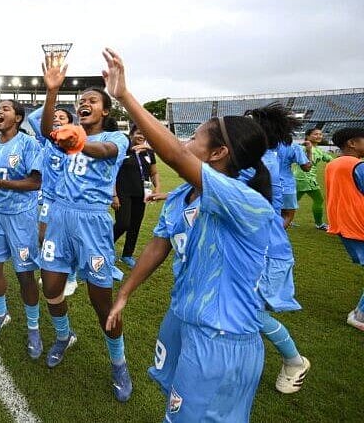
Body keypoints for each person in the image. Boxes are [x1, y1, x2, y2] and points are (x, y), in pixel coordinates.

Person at [103, 48, 275, 422]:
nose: (185, 143)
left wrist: (125, 97)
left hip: (221, 337)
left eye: (196, 138)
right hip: (184, 317)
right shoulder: (183, 196)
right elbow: (159, 244)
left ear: (219, 154)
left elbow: (177, 156)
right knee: (175, 409)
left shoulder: (242, 200)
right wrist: (125, 293)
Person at [39, 53, 131, 402]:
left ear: (105, 110)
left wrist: (75, 142)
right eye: (80, 102)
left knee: (101, 303)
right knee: (51, 289)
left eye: (92, 100)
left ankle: (118, 362)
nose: (84, 104)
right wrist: (52, 92)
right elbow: (49, 130)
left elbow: (103, 150)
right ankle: (64, 336)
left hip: (92, 221)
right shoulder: (67, 132)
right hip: (60, 217)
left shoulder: (117, 138)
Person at [242, 104, 310, 394]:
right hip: (258, 247)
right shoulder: (260, 159)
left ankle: (294, 361)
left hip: (266, 253)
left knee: (251, 312)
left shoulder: (259, 163)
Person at [0, 96, 44, 360]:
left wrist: (1, 185)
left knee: (25, 274)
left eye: (5, 109)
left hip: (22, 218)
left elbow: (35, 182)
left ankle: (34, 327)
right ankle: (1, 313)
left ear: (17, 117)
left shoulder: (27, 144)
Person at [26, 103, 80, 296]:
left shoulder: (76, 141)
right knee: (44, 237)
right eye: (54, 116)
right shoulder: (46, 138)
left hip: (68, 198)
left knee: (67, 238)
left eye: (62, 117)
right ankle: (51, 267)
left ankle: (71, 276)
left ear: (71, 123)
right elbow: (33, 118)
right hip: (48, 196)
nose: (57, 119)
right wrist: (51, 104)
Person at [325, 127, 364, 331]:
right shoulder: (357, 165)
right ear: (352, 143)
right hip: (359, 225)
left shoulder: (333, 163)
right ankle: (359, 316)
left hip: (344, 225)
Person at [113, 124, 161, 268]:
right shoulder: (123, 149)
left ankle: (127, 254)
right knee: (123, 223)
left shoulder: (148, 153)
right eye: (139, 133)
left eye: (144, 135)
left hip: (141, 194)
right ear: (132, 133)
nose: (141, 137)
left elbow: (154, 173)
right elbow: (112, 173)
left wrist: (157, 187)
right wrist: (114, 195)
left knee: (135, 225)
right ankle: (104, 248)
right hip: (123, 193)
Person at [295, 127, 334, 230]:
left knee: (293, 200)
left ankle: (284, 219)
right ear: (308, 136)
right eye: (315, 134)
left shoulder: (319, 150)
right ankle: (319, 224)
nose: (319, 136)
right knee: (318, 199)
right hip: (306, 178)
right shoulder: (304, 148)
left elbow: (330, 159)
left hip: (301, 179)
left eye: (320, 134)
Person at [279, 136, 312, 229]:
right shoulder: (293, 146)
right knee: (287, 215)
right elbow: (306, 167)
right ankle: (274, 239)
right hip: (285, 186)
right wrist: (309, 151)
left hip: (264, 184)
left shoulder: (263, 144)